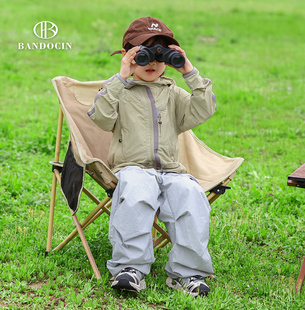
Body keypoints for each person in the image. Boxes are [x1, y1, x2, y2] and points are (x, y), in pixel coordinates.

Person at [87, 16, 217, 297]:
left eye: (161, 54)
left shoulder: (174, 94)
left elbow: (204, 109)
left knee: (191, 194)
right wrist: (121, 76)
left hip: (171, 170)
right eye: (142, 53)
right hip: (130, 168)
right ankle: (130, 268)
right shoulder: (119, 92)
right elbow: (100, 117)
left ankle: (188, 273)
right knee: (136, 191)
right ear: (127, 56)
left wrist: (189, 71)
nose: (151, 62)